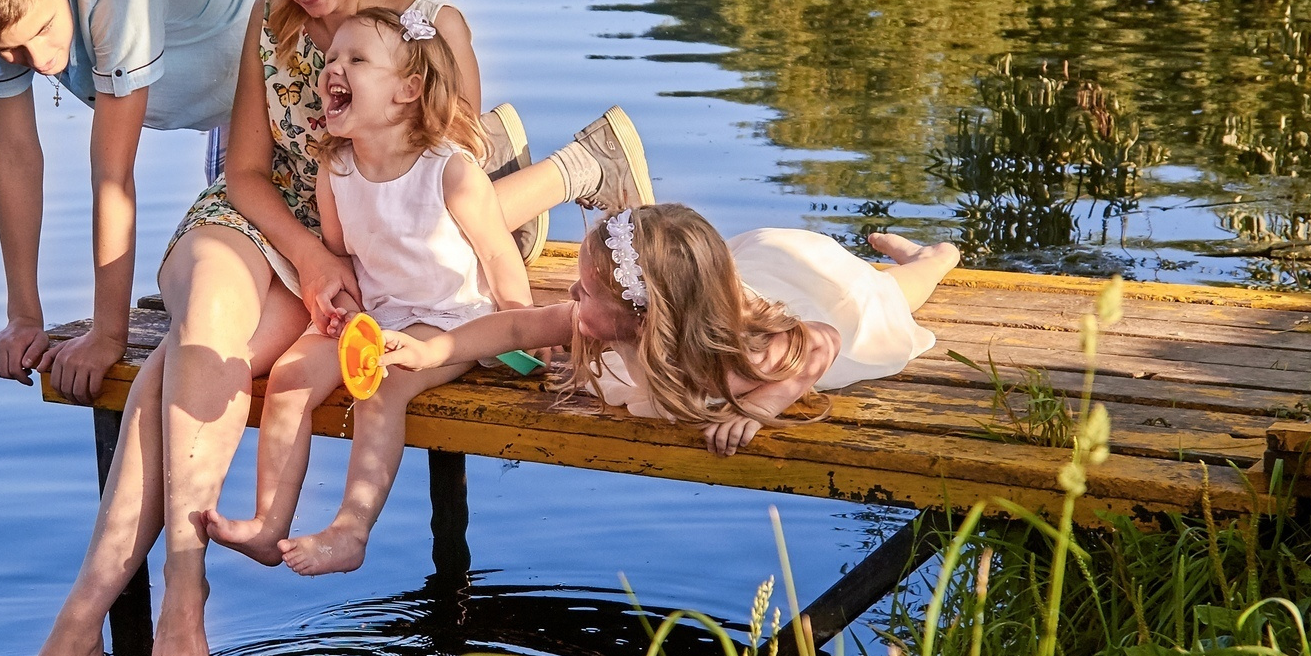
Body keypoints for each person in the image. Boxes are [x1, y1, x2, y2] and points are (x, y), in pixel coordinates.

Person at [24, 0, 653, 656]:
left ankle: (85, 621)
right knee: (203, 319)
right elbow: (246, 173)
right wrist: (312, 255)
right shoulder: (271, 20)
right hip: (277, 218)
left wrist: (486, 307)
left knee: (176, 366)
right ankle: (180, 576)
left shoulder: (428, 30)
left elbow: (444, 194)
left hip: (373, 243)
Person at [205, 6, 530, 576]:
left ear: (408, 90)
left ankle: (351, 530)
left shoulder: (450, 171)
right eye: (332, 57)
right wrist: (342, 309)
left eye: (356, 59)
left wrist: (521, 322)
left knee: (384, 387)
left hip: (448, 319)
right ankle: (268, 523)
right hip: (378, 315)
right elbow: (345, 254)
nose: (334, 67)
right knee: (288, 378)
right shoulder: (336, 170)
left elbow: (500, 254)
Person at [0, 0, 254, 404]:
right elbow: (16, 155)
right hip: (225, 108)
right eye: (13, 49)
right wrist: (23, 318)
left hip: (280, 40)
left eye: (44, 30)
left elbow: (113, 176)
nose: (40, 60)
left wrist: (108, 335)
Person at [380, 202, 961, 455]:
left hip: (808, 283)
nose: (571, 294)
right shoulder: (616, 316)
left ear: (642, 317)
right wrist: (430, 353)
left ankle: (933, 258)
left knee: (888, 300)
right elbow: (512, 331)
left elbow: (823, 340)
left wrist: (764, 405)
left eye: (588, 290)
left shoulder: (742, 359)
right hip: (731, 270)